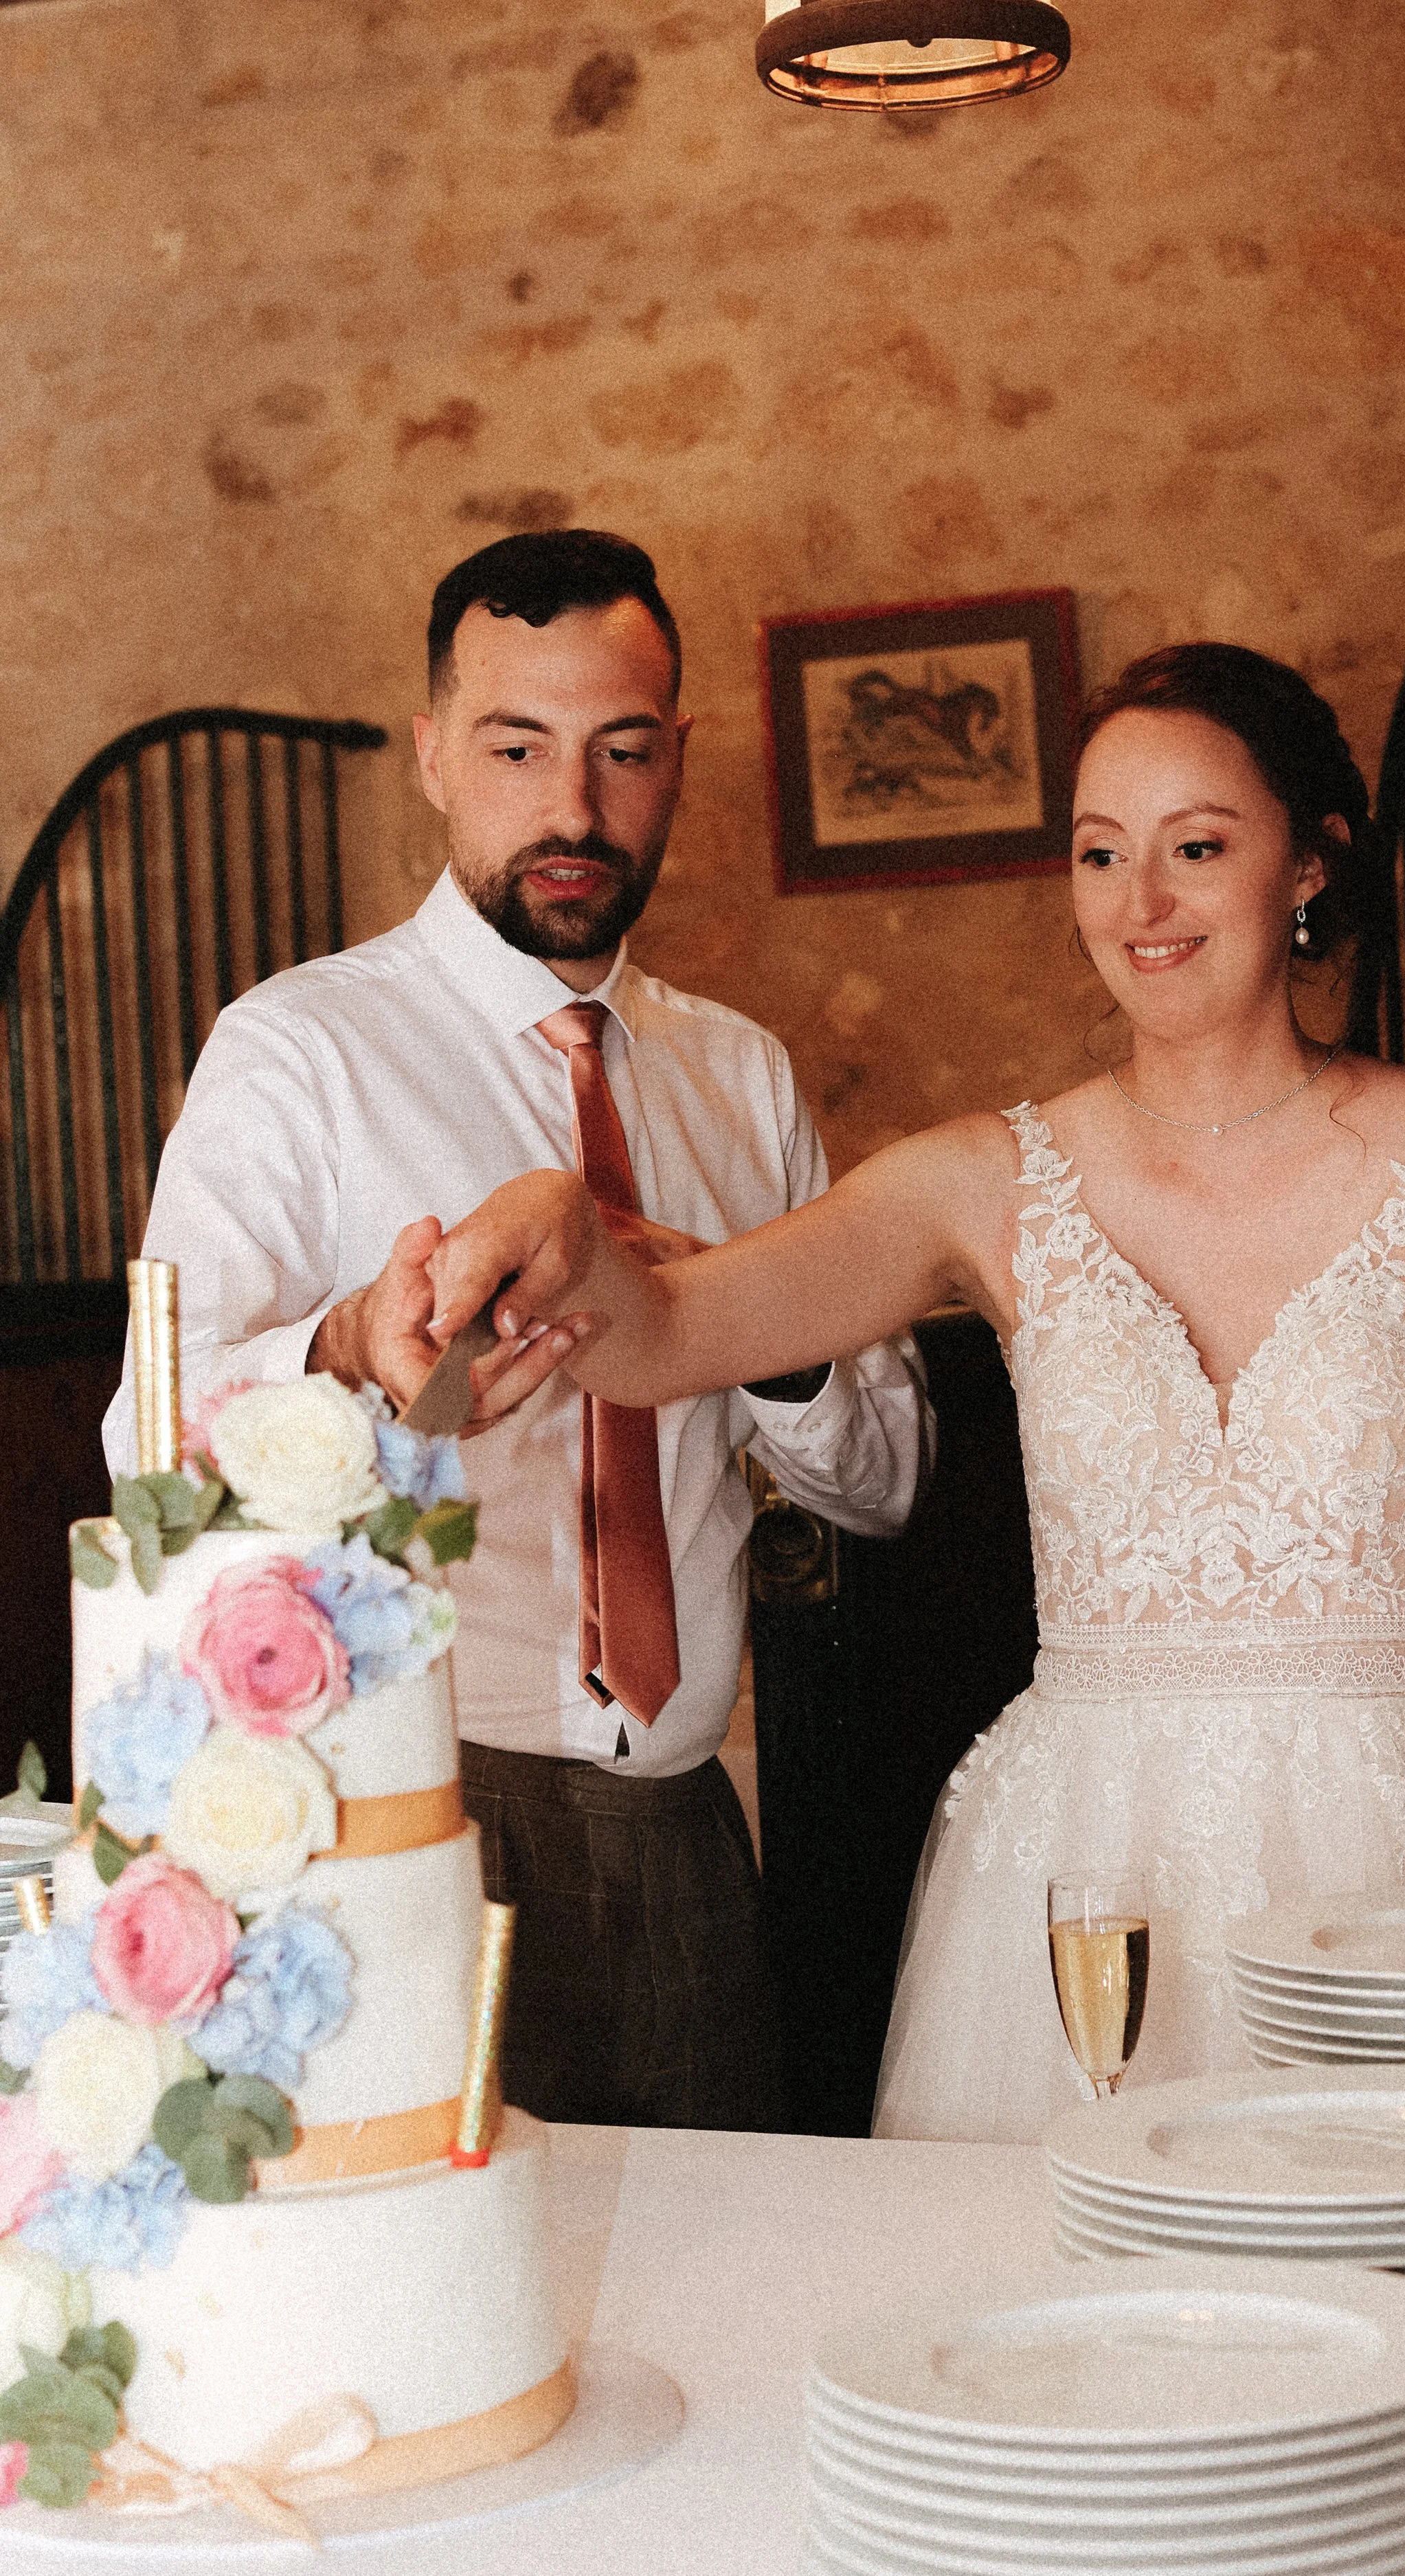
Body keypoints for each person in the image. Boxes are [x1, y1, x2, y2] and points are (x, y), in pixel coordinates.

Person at [420, 639, 1405, 2147]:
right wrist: (554, 1221)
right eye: (1097, 854)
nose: (1137, 906)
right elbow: (669, 1327)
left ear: (1306, 867)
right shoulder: (982, 1181)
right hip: (1083, 1882)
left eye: (1194, 849)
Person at [105, 528, 930, 2134]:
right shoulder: (297, 1052)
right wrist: (345, 1346)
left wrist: (733, 1313)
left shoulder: (742, 1079)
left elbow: (880, 1478)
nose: (573, 809)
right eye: (516, 748)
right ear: (430, 755)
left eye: (621, 752)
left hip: (689, 1822)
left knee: (719, 2326)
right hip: (410, 1811)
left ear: (675, 757)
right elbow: (141, 1441)